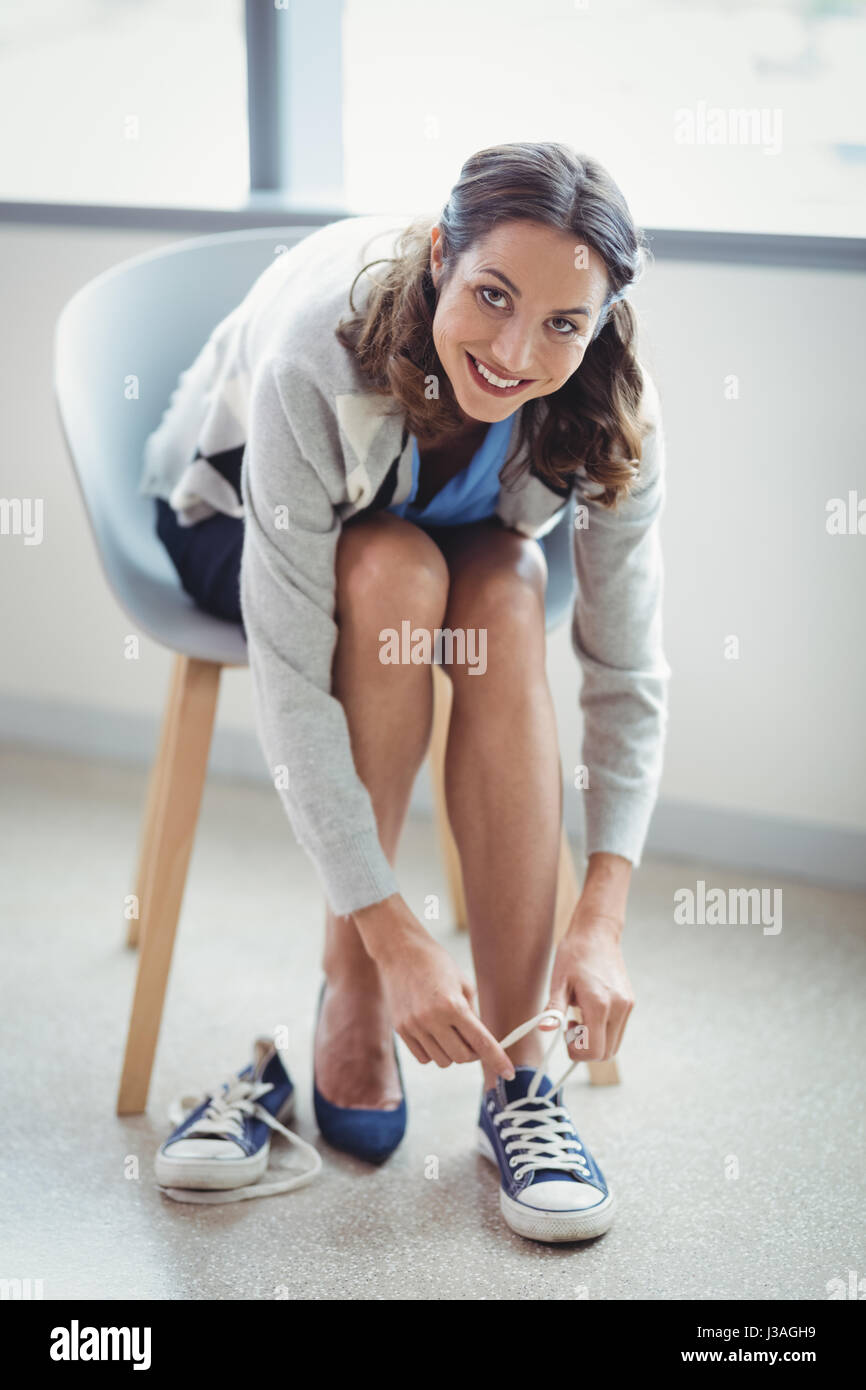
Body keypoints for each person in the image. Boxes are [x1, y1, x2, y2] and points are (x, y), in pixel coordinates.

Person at [141, 141, 671, 1243]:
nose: (517, 352)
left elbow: (624, 669)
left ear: (600, 324)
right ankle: (354, 991)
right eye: (490, 295)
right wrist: (394, 934)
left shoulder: (608, 403)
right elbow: (289, 683)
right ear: (440, 258)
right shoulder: (313, 362)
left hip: (458, 534)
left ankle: (516, 1066)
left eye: (562, 324)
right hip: (233, 518)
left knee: (508, 594)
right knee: (389, 573)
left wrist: (603, 911)